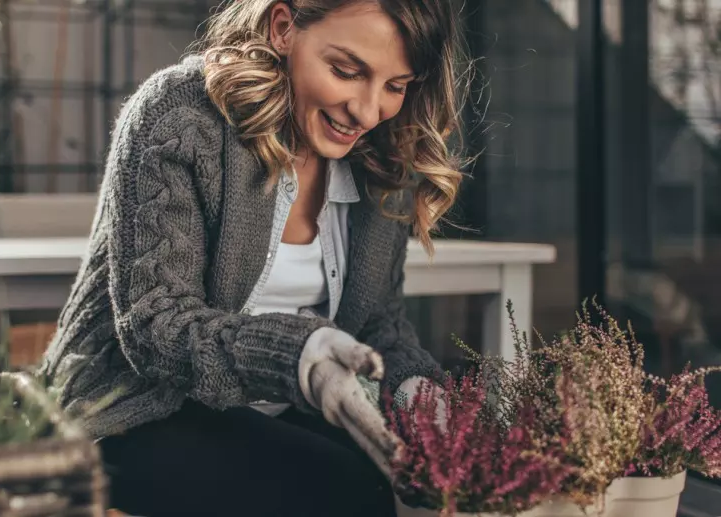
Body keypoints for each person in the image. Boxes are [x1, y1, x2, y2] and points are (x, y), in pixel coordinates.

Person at [40, 0, 467, 515]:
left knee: (413, 483)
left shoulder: (386, 151)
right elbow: (156, 327)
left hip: (280, 404)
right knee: (345, 492)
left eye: (396, 86)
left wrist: (414, 394)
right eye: (346, 72)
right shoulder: (180, 114)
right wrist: (301, 360)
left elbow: (379, 323)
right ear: (283, 28)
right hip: (129, 407)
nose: (368, 110)